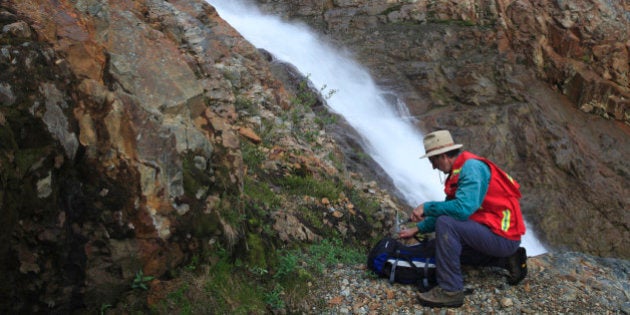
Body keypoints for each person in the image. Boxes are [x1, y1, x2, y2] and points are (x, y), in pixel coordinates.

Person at [398, 130, 528, 308]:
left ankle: (450, 290)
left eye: (432, 160)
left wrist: (427, 207)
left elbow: (462, 210)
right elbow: (448, 211)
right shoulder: (460, 170)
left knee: (447, 226)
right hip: (495, 233)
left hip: (503, 237)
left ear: (442, 156)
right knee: (445, 247)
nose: (433, 167)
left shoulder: (471, 169)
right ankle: (507, 259)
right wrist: (418, 228)